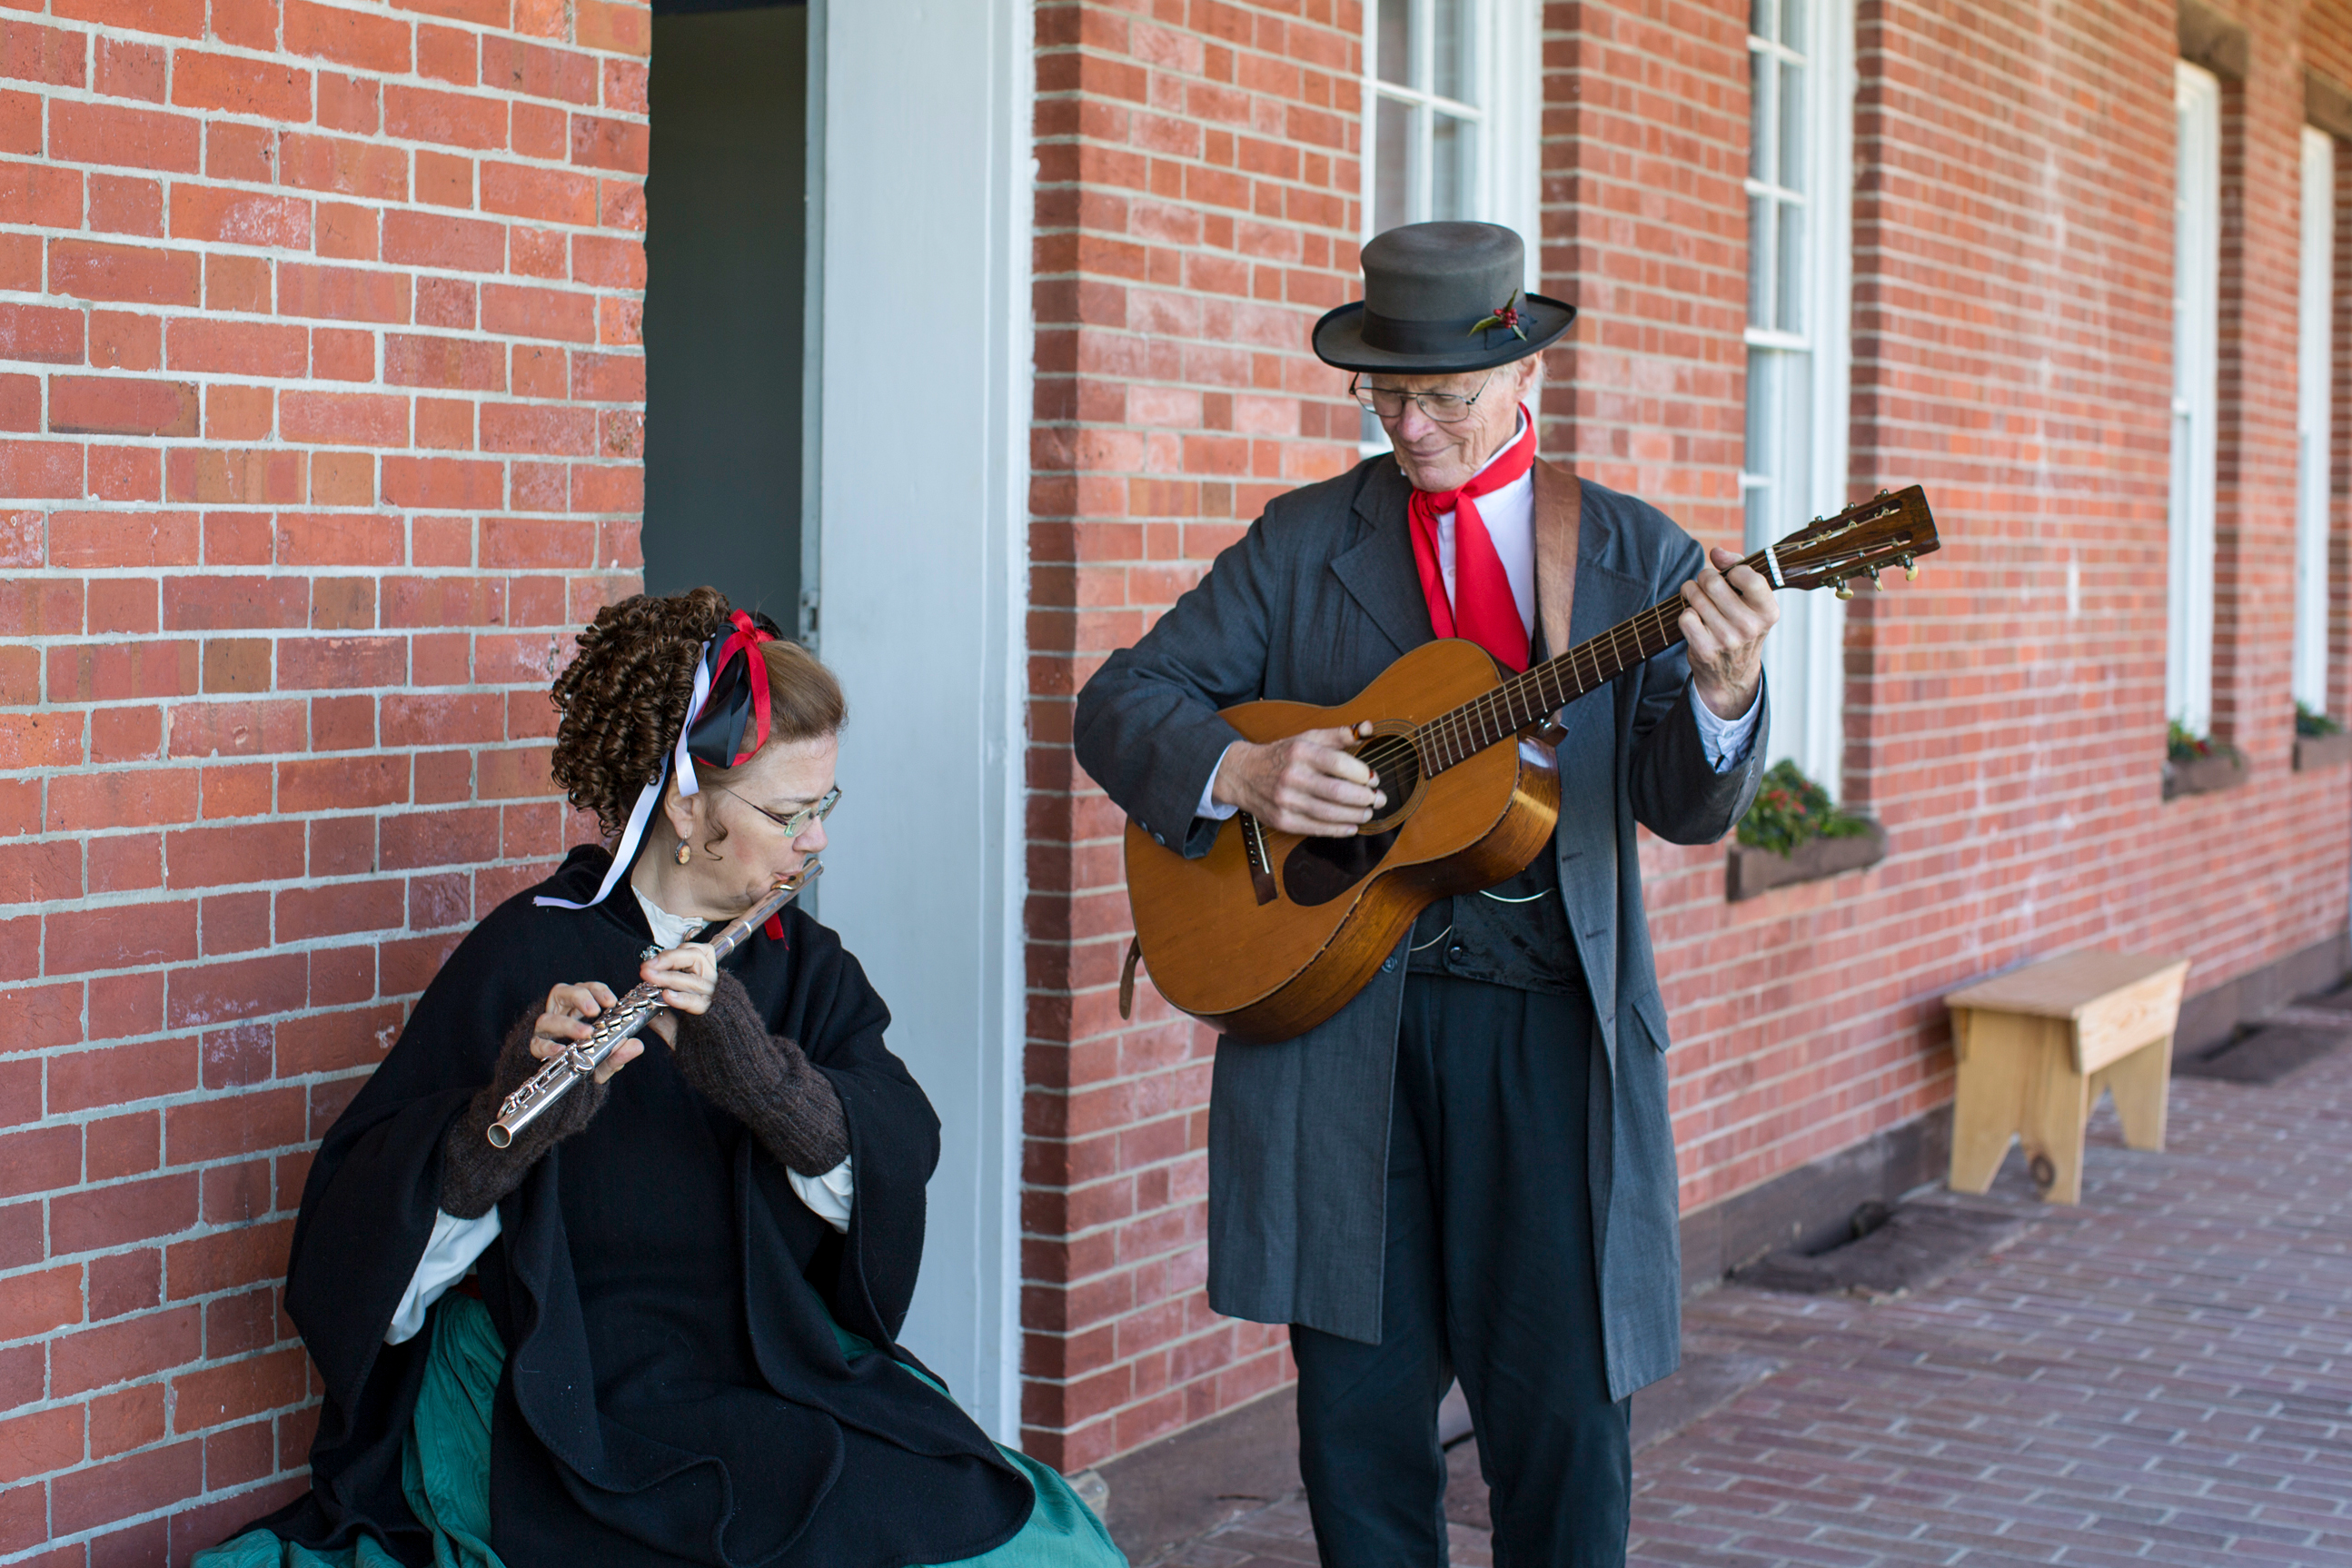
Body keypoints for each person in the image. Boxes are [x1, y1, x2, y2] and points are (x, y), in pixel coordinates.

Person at [1073, 222, 1780, 1567]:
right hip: (1342, 1035)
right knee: (1358, 1427)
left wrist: (1727, 694)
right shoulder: (1300, 543)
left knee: (1564, 1423)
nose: (1409, 425)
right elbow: (1121, 702)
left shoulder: (1631, 554)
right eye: (1383, 394)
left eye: (1439, 397)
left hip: (1553, 1046)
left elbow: (1685, 808)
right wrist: (1242, 767)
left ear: (1525, 380)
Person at [201, 589, 1125, 1568]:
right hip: (570, 1391)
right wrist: (503, 1125)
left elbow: (900, 1144)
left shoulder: (805, 965)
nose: (815, 839)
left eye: (825, 805)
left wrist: (771, 1087)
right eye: (787, 811)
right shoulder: (527, 951)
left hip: (771, 1367)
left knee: (1010, 1533)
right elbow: (360, 1253)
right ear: (687, 803)